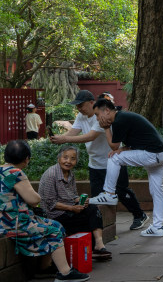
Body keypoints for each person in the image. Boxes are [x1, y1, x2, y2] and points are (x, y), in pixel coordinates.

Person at [51, 90, 148, 231]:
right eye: (77, 106)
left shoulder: (100, 117)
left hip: (113, 161)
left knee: (121, 191)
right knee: (97, 197)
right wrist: (59, 138)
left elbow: (91, 136)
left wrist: (64, 139)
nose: (79, 108)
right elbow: (73, 132)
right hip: (95, 163)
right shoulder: (81, 116)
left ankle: (139, 215)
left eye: (81, 105)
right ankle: (100, 226)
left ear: (92, 103)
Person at [1, 140, 89, 282]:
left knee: (57, 225)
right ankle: (65, 273)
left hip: (5, 221)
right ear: (26, 159)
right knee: (53, 230)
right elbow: (33, 200)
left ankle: (44, 268)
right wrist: (37, 195)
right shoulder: (15, 173)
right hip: (15, 223)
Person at [88, 99, 163, 237]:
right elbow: (139, 138)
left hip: (153, 154)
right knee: (156, 191)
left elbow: (113, 146)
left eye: (97, 115)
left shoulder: (119, 120)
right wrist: (124, 149)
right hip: (161, 155)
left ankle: (109, 194)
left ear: (107, 110)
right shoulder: (123, 117)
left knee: (114, 157)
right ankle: (157, 227)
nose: (97, 119)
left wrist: (106, 128)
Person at [37, 145, 111, 260]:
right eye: (65, 157)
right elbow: (50, 203)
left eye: (73, 158)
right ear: (58, 158)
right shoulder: (51, 175)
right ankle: (92, 249)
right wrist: (72, 208)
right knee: (86, 219)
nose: (68, 161)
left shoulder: (70, 174)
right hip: (55, 214)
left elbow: (73, 196)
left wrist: (81, 201)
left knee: (92, 208)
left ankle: (98, 244)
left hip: (69, 209)